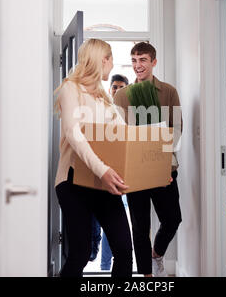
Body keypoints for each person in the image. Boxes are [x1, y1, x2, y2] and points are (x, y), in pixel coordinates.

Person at [54, 38, 132, 277]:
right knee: (80, 251)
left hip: (103, 184)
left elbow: (124, 139)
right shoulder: (71, 88)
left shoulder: (105, 99)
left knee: (124, 249)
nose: (112, 66)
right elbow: (73, 133)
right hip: (73, 182)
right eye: (111, 60)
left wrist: (156, 173)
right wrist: (103, 171)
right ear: (103, 60)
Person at [113, 42, 183, 277]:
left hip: (164, 169)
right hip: (135, 171)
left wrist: (163, 165)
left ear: (153, 62)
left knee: (173, 219)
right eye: (133, 60)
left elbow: (177, 130)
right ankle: (147, 275)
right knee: (140, 227)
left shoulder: (169, 91)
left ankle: (156, 254)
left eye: (142, 60)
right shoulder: (122, 96)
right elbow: (118, 136)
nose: (137, 65)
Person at [88, 74, 130, 271]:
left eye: (122, 87)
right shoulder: (99, 108)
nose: (117, 90)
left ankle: (105, 267)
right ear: (109, 88)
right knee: (93, 233)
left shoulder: (128, 113)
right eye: (115, 87)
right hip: (94, 178)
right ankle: (98, 259)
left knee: (114, 233)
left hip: (118, 180)